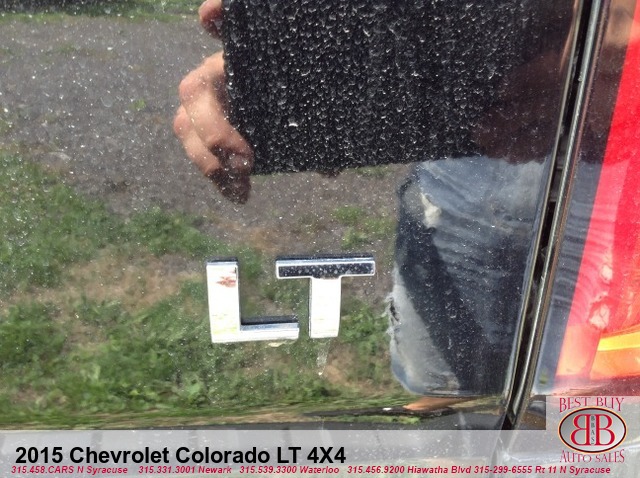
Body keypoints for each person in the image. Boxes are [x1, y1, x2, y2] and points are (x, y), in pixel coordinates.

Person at [175, 0, 574, 412]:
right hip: (466, 185)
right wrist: (296, 63)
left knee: (571, 409)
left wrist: (600, 42)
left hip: (589, 200)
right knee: (450, 407)